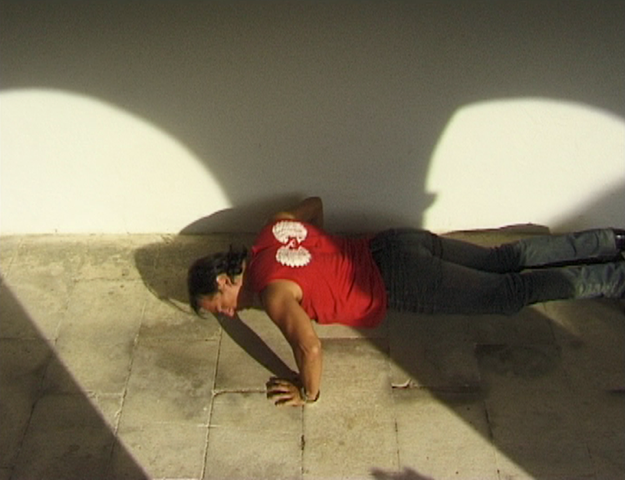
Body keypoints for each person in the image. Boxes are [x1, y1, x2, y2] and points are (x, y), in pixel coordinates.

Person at [187, 196, 625, 407]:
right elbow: (315, 205)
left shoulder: (273, 293)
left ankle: (614, 278)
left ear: (225, 280)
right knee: (502, 259)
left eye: (219, 304)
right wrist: (325, 256)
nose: (228, 313)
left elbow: (310, 347)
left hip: (400, 279)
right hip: (395, 243)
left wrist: (308, 391)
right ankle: (610, 241)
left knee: (510, 293)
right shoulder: (271, 230)